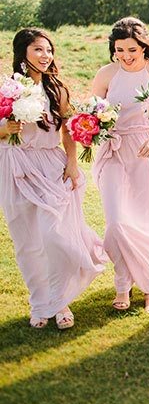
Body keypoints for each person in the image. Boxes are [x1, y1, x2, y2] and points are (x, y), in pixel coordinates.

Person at [0, 28, 106, 329]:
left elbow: (67, 130)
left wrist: (72, 163)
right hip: (14, 164)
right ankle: (40, 302)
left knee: (55, 236)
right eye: (38, 50)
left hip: (50, 166)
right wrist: (7, 129)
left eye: (49, 50)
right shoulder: (6, 88)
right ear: (23, 53)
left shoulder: (57, 89)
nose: (46, 56)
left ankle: (60, 299)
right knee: (26, 242)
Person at [91, 17, 149, 313]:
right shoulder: (106, 73)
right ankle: (122, 283)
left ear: (144, 47)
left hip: (147, 151)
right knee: (117, 222)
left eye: (132, 50)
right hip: (113, 151)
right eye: (120, 50)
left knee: (148, 221)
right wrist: (94, 127)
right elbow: (91, 111)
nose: (125, 56)